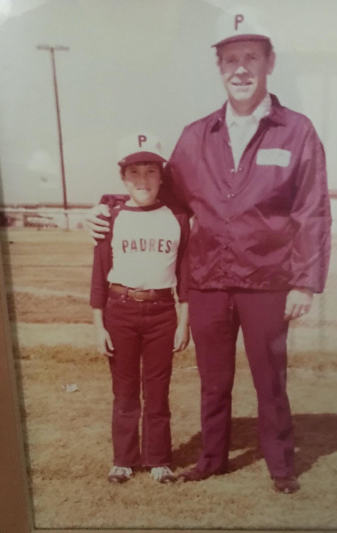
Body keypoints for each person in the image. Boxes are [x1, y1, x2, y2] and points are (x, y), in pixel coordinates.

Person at [86, 13, 331, 493]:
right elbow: (160, 192)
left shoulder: (296, 131)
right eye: (231, 60)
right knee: (214, 380)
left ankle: (281, 466)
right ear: (219, 69)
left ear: (269, 63)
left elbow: (313, 209)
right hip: (209, 282)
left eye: (251, 59)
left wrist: (305, 281)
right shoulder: (197, 135)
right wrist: (110, 206)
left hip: (267, 281)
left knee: (269, 379)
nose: (241, 70)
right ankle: (212, 459)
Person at [90, 135, 190, 484]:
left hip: (163, 312)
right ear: (123, 178)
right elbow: (99, 276)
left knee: (158, 388)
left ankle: (159, 458)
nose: (143, 179)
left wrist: (184, 322)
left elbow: (185, 274)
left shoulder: (177, 217)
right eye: (135, 172)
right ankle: (123, 458)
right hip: (120, 310)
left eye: (151, 171)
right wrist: (98, 324)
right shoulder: (112, 218)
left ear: (162, 176)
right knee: (125, 388)